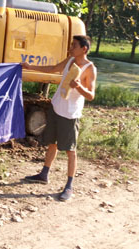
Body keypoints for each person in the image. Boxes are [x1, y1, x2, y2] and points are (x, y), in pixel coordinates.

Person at [21, 35, 96, 201]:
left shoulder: (89, 68)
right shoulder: (70, 60)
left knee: (70, 150)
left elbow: (90, 95)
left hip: (70, 114)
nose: (71, 48)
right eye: (71, 45)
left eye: (74, 46)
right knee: (52, 143)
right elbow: (54, 68)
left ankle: (69, 186)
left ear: (84, 49)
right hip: (57, 107)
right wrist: (30, 67)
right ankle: (44, 174)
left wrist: (79, 86)